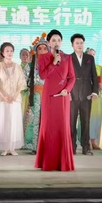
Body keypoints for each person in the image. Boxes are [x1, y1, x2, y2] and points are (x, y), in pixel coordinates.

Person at [35, 29, 75, 171]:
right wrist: (53, 63)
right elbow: (43, 76)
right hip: (49, 96)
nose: (56, 42)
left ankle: (63, 162)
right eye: (53, 40)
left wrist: (67, 90)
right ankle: (47, 161)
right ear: (49, 42)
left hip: (62, 97)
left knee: (62, 126)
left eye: (58, 40)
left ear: (61, 42)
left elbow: (72, 77)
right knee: (48, 127)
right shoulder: (43, 57)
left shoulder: (67, 58)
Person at [0, 42, 27, 156]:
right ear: (2, 53)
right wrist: (4, 96)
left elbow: (22, 83)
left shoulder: (17, 67)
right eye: (7, 51)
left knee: (14, 122)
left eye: (11, 51)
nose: (9, 53)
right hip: (2, 99)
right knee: (3, 122)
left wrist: (14, 95)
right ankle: (5, 148)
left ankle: (12, 148)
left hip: (15, 99)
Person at [69, 33, 98, 155]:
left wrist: (95, 91)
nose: (79, 45)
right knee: (71, 122)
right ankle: (71, 147)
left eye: (81, 43)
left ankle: (86, 147)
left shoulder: (89, 58)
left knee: (85, 121)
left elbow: (94, 76)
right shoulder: (68, 58)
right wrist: (67, 92)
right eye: (77, 43)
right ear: (72, 45)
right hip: (73, 93)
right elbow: (66, 76)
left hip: (87, 93)